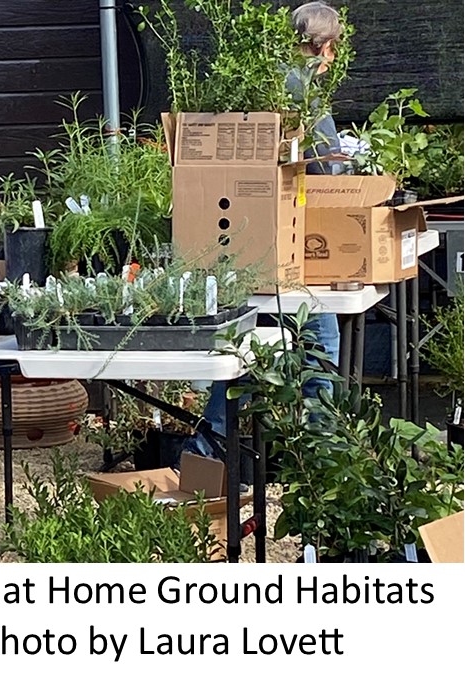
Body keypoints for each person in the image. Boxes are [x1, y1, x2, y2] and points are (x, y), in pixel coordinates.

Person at [183, 1, 343, 460]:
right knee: (319, 343)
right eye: (334, 49)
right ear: (325, 47)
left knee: (245, 349)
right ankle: (322, 457)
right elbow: (328, 169)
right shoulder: (305, 96)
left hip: (230, 238)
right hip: (287, 247)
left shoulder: (251, 82)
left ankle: (205, 455)